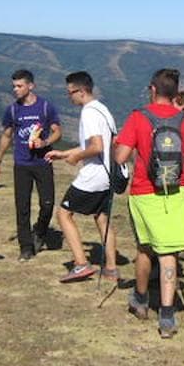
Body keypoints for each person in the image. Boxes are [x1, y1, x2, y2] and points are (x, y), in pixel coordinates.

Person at [114, 67, 184, 338]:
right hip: (176, 192)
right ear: (176, 93)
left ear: (152, 89)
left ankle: (140, 300)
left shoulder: (138, 117)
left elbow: (121, 157)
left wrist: (117, 145)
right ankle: (167, 317)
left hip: (144, 191)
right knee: (169, 254)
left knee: (145, 248)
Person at [45, 71, 119, 283]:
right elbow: (98, 144)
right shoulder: (102, 109)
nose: (69, 97)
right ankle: (111, 268)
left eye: (70, 93)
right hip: (107, 175)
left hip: (93, 176)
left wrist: (76, 156)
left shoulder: (88, 112)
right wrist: (63, 154)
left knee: (63, 214)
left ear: (81, 90)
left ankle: (81, 264)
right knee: (102, 217)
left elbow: (96, 147)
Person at [0, 69, 62, 261]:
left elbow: (57, 131)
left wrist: (45, 143)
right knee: (22, 207)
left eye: (19, 86)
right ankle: (25, 247)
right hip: (21, 164)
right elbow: (7, 136)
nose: (15, 89)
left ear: (31, 86)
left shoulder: (46, 107)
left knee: (47, 203)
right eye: (14, 86)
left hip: (42, 162)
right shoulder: (13, 110)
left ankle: (39, 230)